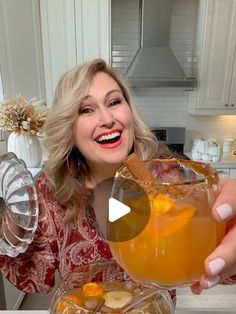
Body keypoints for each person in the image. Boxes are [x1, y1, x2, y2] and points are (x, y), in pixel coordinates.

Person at [0, 58, 236, 298]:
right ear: (68, 127)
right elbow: (33, 279)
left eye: (114, 102)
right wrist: (9, 227)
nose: (107, 119)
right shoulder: (51, 192)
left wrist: (227, 229)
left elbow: (212, 253)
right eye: (86, 109)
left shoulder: (168, 175)